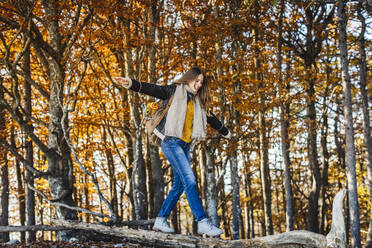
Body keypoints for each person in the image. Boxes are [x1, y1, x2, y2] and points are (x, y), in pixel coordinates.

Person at [114, 67, 231, 237]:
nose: (198, 85)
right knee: (190, 180)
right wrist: (131, 84)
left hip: (185, 145)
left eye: (201, 82)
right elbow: (154, 89)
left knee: (179, 186)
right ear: (188, 78)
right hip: (170, 142)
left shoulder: (198, 102)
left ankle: (161, 219)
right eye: (196, 80)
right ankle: (203, 222)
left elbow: (211, 118)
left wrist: (226, 132)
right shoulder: (174, 91)